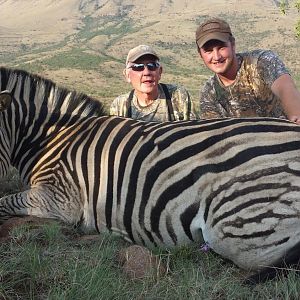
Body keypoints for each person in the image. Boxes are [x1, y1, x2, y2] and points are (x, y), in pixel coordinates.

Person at [195, 17, 300, 124]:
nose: (216, 57)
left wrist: (296, 114)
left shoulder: (261, 62)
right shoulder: (209, 93)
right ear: (200, 54)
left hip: (285, 135)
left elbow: (285, 88)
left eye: (222, 47)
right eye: (208, 51)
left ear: (233, 45)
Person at [110, 44, 196, 122]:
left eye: (152, 66)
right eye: (138, 67)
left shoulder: (178, 96)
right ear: (127, 75)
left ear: (160, 72)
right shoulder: (119, 106)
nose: (146, 72)